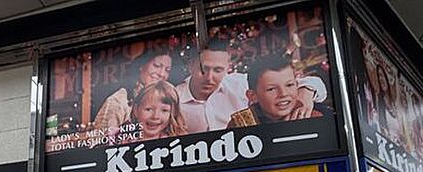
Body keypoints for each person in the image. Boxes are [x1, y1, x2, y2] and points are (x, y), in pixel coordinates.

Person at [176, 41, 327, 133]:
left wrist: (306, 92)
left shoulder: (240, 83)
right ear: (190, 66)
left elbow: (314, 83)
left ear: (227, 68)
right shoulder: (174, 99)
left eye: (218, 70)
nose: (210, 77)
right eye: (204, 69)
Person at [227, 55, 330, 127]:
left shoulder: (317, 115)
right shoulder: (240, 124)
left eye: (289, 85)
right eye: (271, 89)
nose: (283, 94)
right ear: (252, 96)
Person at [93, 51, 173, 132]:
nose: (162, 74)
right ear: (141, 65)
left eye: (167, 70)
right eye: (157, 66)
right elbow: (102, 137)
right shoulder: (118, 101)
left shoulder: (168, 100)